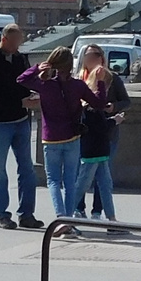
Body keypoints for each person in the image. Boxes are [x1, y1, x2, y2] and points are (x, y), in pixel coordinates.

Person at [18, 47, 109, 238]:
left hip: (50, 138)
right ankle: (69, 221)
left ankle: (61, 218)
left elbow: (21, 80)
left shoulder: (45, 85)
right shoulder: (78, 86)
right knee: (70, 182)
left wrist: (36, 68)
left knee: (53, 180)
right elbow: (99, 104)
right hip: (72, 137)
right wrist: (100, 83)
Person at [0, 23, 42, 230]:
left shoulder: (20, 59)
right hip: (0, 123)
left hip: (21, 121)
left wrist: (34, 95)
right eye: (15, 42)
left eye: (20, 42)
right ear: (4, 39)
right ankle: (2, 214)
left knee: (27, 169)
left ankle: (27, 214)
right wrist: (21, 102)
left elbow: (25, 85)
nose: (17, 46)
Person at [76, 44, 131, 230]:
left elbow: (125, 101)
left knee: (105, 185)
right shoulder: (89, 100)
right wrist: (114, 120)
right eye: (89, 55)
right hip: (92, 148)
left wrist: (113, 109)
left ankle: (110, 219)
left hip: (102, 147)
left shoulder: (111, 79)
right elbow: (97, 125)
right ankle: (69, 214)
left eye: (96, 55)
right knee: (82, 183)